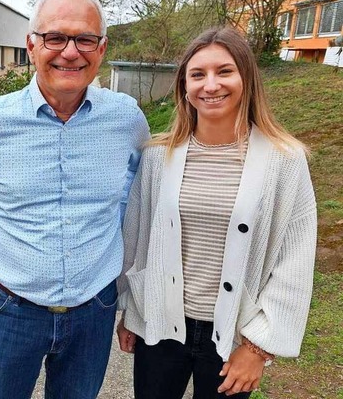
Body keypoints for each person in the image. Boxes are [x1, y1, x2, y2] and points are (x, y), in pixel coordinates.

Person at [0, 0, 150, 398]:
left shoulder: (126, 119)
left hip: (94, 307)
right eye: (56, 38)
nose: (71, 52)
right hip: (12, 307)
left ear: (101, 49)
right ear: (31, 45)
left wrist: (114, 227)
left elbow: (139, 179)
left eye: (85, 39)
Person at [116, 27, 317, 398]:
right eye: (198, 74)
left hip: (233, 337)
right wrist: (131, 309)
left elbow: (296, 260)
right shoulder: (158, 156)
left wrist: (257, 347)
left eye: (224, 71)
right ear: (184, 86)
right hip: (159, 325)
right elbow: (137, 238)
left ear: (246, 78)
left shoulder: (284, 162)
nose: (210, 85)